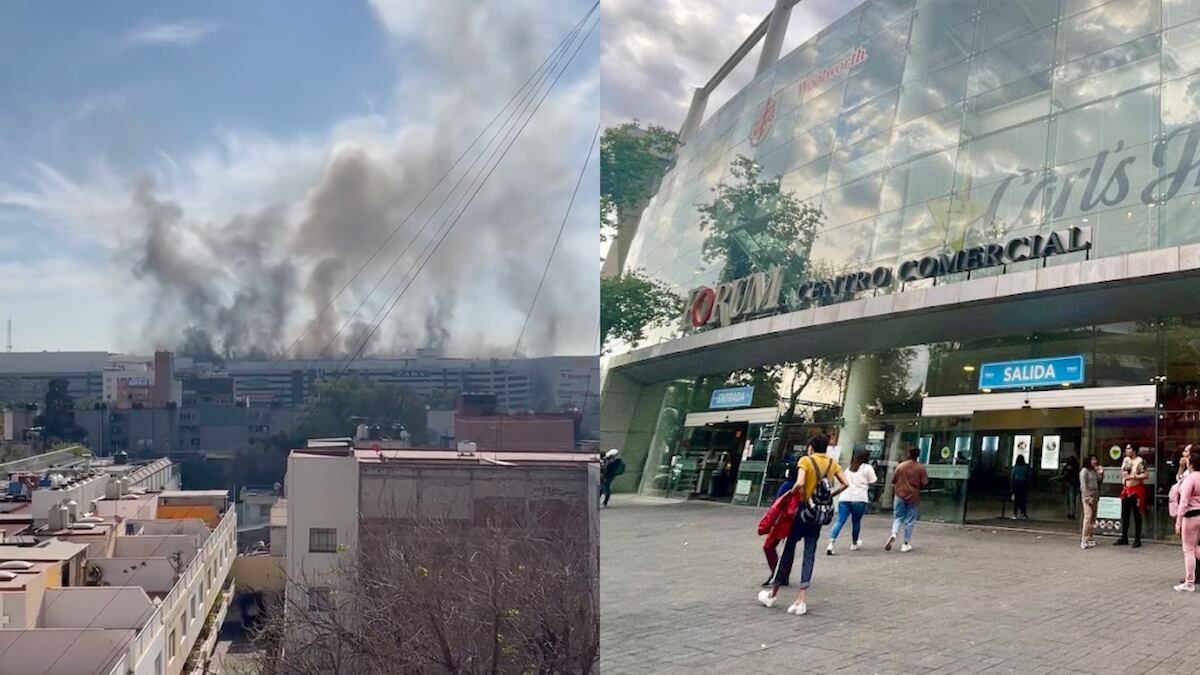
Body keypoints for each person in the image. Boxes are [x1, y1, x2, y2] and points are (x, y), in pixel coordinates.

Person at [758, 436, 848, 616]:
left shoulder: (805, 460)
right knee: (809, 553)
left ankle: (773, 594)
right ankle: (801, 599)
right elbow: (846, 483)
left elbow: (799, 483)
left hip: (801, 512)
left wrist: (791, 495)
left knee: (789, 549)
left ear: (811, 448)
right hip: (817, 515)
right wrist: (829, 496)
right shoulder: (832, 463)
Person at [826, 450, 876, 555]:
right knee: (856, 522)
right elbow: (873, 481)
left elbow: (843, 481)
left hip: (845, 497)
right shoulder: (867, 468)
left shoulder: (849, 468)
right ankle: (854, 543)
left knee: (839, 521)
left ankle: (831, 543)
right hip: (859, 499)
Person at [886, 446, 928, 553]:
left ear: (908, 454)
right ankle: (905, 543)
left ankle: (894, 533)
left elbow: (894, 480)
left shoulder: (901, 466)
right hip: (913, 495)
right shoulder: (920, 468)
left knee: (898, 517)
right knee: (910, 520)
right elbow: (924, 483)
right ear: (918, 455)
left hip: (900, 494)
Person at [1174, 452, 1200, 592]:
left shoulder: (1190, 479)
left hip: (1191, 515)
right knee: (1195, 548)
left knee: (1188, 549)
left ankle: (1189, 582)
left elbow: (1184, 502)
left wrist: (1178, 521)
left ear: (1191, 464)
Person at [1115, 443, 1148, 547]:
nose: (1126, 450)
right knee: (1125, 514)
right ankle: (1124, 537)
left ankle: (1137, 538)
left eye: (1128, 448)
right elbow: (1123, 472)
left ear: (1134, 450)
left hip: (1136, 489)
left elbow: (1145, 475)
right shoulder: (1126, 460)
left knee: (1137, 514)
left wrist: (1134, 476)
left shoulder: (1140, 461)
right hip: (1126, 489)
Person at [1079, 455, 1102, 549]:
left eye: (1095, 459)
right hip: (1088, 495)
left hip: (1095, 494)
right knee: (1088, 516)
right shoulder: (1084, 471)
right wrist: (1087, 497)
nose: (1095, 461)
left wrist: (1101, 473)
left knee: (1093, 518)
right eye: (1093, 459)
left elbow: (1099, 481)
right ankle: (1083, 539)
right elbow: (1083, 485)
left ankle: (1090, 537)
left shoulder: (1093, 470)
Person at [1011, 455, 1031, 520]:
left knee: (1016, 500)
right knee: (1023, 500)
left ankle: (1015, 514)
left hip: (1016, 484)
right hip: (1023, 484)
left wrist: (1012, 488)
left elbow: (1012, 477)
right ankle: (1024, 514)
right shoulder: (1026, 467)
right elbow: (1028, 476)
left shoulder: (1015, 467)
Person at [1061, 455, 1080, 519]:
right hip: (1070, 484)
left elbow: (1063, 474)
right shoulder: (1073, 467)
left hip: (1072, 484)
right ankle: (1070, 513)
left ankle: (1071, 513)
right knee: (1070, 499)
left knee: (1070, 499)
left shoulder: (1073, 467)